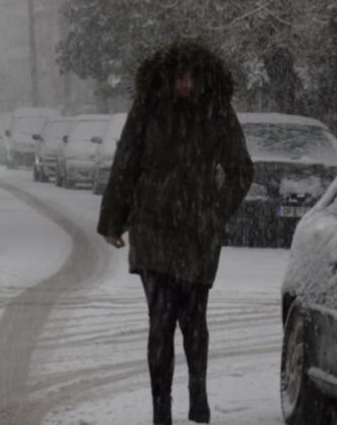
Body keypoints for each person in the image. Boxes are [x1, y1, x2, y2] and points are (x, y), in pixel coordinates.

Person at [97, 42, 253, 424]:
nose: (185, 85)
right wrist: (113, 222)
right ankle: (160, 409)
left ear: (203, 79)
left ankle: (197, 392)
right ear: (166, 78)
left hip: (198, 234)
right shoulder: (148, 109)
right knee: (161, 321)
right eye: (179, 77)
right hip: (152, 229)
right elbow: (125, 165)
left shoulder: (217, 113)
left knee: (194, 320)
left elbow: (241, 171)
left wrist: (214, 212)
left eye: (192, 77)